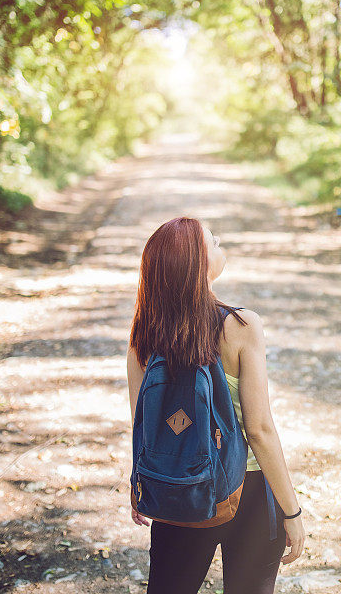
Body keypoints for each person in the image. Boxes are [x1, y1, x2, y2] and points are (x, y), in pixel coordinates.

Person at [127, 216, 305, 594]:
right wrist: (292, 511)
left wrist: (140, 485)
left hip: (180, 488)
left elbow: (143, 426)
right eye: (214, 242)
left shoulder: (143, 334)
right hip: (251, 490)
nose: (221, 244)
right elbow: (259, 430)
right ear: (197, 264)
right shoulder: (240, 326)